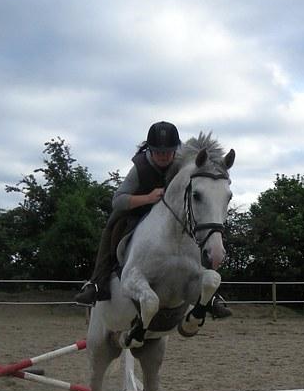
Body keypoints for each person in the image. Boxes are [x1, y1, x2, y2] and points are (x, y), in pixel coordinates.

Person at [74, 121, 231, 318]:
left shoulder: (182, 161)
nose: (164, 156)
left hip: (172, 214)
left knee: (201, 227)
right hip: (138, 209)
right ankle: (98, 283)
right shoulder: (140, 167)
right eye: (158, 152)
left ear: (176, 149)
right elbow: (118, 200)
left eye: (168, 152)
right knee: (113, 225)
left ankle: (210, 294)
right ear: (151, 149)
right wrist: (147, 198)